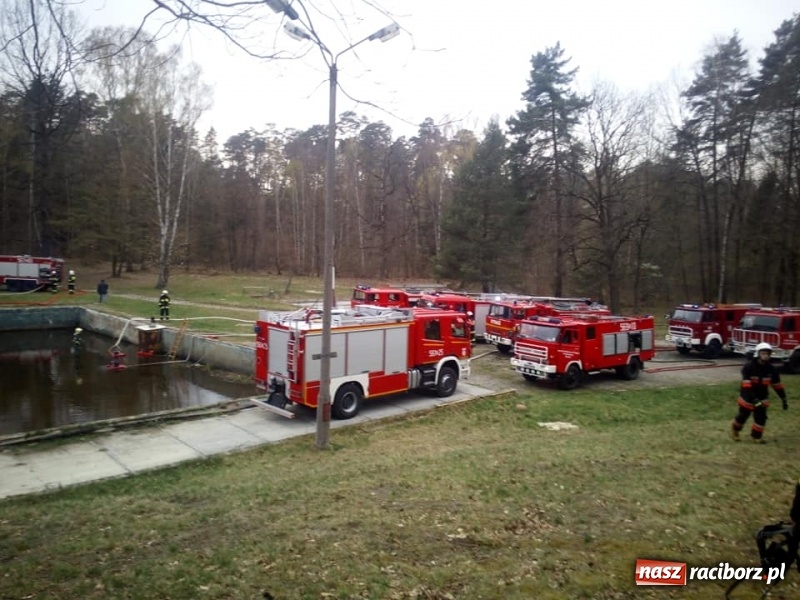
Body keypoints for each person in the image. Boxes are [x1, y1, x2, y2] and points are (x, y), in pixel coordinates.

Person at [731, 342, 788, 443]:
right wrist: (754, 400)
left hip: (762, 397)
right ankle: (735, 430)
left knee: (761, 417)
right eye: (763, 353)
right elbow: (746, 386)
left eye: (767, 354)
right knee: (743, 416)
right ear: (758, 354)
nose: (765, 356)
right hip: (748, 397)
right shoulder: (749, 367)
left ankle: (756, 437)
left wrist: (783, 399)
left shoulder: (772, 369)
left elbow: (777, 385)